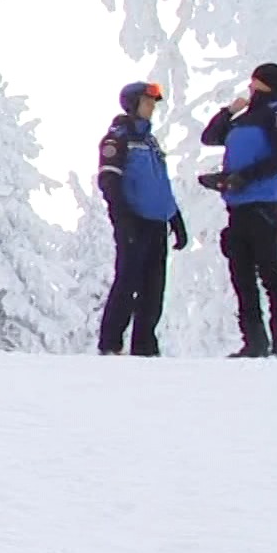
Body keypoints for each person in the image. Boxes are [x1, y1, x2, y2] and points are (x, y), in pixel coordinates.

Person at [199, 63, 277, 357]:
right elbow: (210, 137)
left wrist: (244, 177)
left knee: (271, 274)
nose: (250, 88)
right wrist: (228, 111)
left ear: (261, 84)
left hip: (264, 205)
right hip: (238, 206)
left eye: (253, 83)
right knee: (241, 275)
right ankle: (254, 341)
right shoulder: (245, 118)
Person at [95, 81, 187, 356]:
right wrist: (122, 217)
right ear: (132, 104)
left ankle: (145, 345)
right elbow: (109, 180)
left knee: (154, 285)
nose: (151, 108)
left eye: (153, 104)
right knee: (128, 280)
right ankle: (110, 343)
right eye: (147, 103)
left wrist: (175, 218)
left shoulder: (150, 141)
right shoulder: (118, 138)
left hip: (157, 221)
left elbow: (160, 183)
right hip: (133, 221)